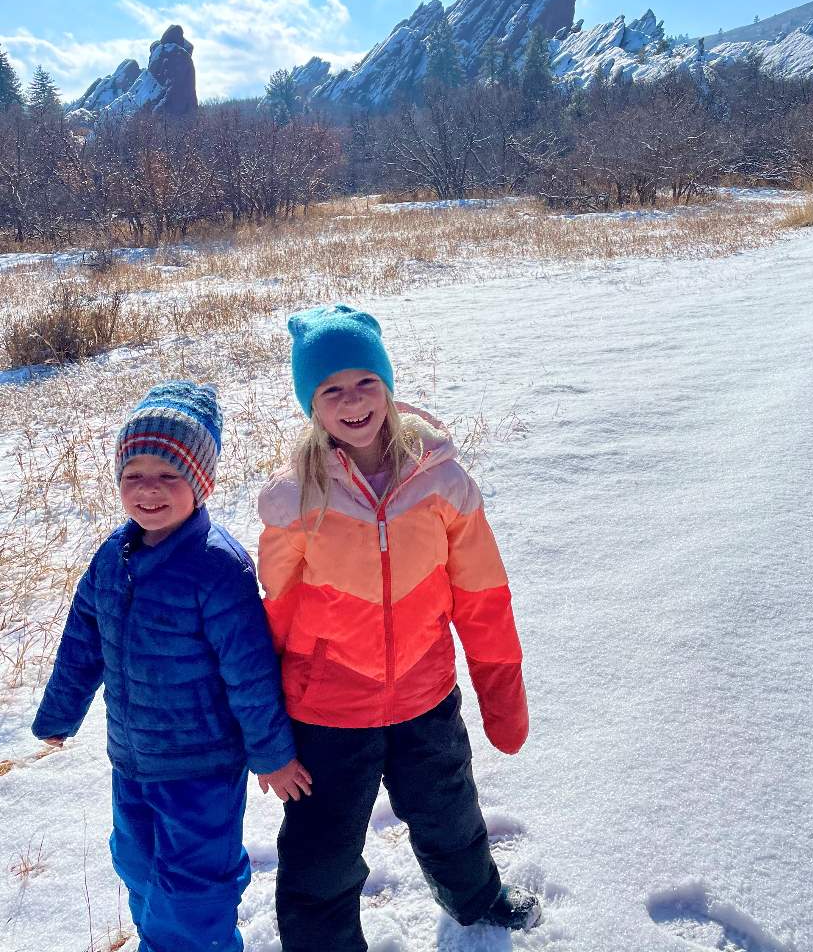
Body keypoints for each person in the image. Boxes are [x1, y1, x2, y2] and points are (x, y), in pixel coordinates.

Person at [257, 304, 540, 952]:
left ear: (388, 385)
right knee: (321, 857)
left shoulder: (441, 482)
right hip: (327, 710)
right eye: (331, 389)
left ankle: (478, 901)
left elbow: (482, 595)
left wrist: (501, 692)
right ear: (312, 404)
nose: (352, 401)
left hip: (424, 697)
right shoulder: (298, 498)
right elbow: (273, 613)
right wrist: (264, 731)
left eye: (365, 382)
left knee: (452, 818)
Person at [31, 381, 311, 952]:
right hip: (132, 758)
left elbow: (249, 672)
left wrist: (273, 755)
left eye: (169, 476)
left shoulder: (216, 567)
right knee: (135, 862)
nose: (149, 491)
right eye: (134, 475)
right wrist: (58, 715)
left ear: (200, 484)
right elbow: (83, 641)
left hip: (200, 766)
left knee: (194, 886)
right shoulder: (113, 556)